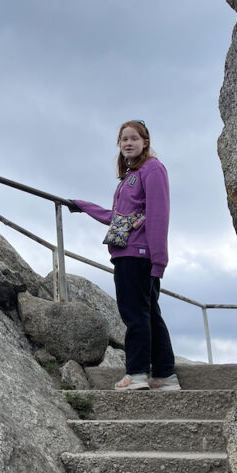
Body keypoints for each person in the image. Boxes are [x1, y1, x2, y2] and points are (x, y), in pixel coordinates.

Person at [69, 120, 180, 392]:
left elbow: (158, 215)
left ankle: (138, 373)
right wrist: (83, 206)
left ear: (145, 142)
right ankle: (164, 375)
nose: (128, 143)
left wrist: (159, 261)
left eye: (133, 138)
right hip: (130, 254)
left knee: (135, 315)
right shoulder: (130, 176)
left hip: (138, 256)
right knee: (149, 313)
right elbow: (117, 218)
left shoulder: (152, 169)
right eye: (123, 139)